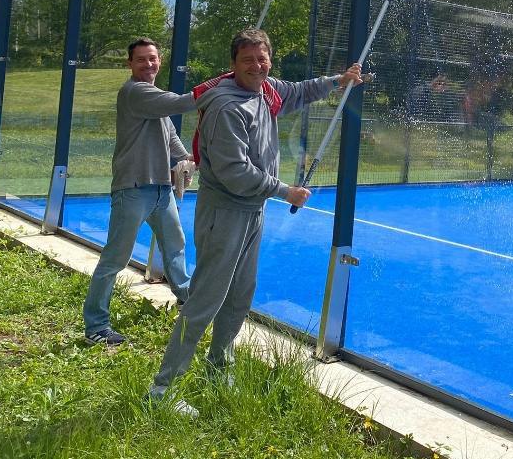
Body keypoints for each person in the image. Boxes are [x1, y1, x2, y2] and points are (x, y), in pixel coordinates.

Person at [148, 28, 364, 414]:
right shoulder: (228, 106)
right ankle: (163, 390)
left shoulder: (266, 90)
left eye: (262, 59)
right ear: (233, 65)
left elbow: (299, 91)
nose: (256, 66)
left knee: (239, 296)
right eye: (247, 60)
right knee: (205, 301)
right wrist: (287, 191)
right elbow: (236, 172)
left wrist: (338, 80)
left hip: (252, 212)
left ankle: (219, 368)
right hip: (226, 212)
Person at [83, 37, 203, 346]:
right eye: (141, 60)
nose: (148, 64)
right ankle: (96, 326)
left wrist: (187, 160)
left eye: (153, 59)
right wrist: (217, 88)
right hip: (133, 189)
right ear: (130, 64)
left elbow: (171, 135)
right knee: (115, 259)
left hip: (162, 189)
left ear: (159, 61)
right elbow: (179, 103)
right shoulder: (135, 92)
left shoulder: (154, 102)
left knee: (175, 246)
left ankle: (188, 302)